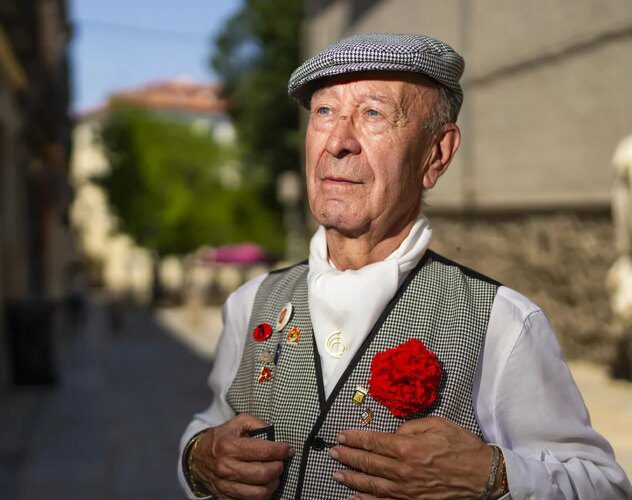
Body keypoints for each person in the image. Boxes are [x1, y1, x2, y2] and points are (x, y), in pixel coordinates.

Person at [178, 33, 632, 500]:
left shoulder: (503, 323)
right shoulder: (250, 303)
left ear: (436, 154)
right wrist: (199, 458)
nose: (337, 141)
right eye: (324, 112)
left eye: (373, 113)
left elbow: (604, 486)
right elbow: (210, 422)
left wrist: (490, 477)